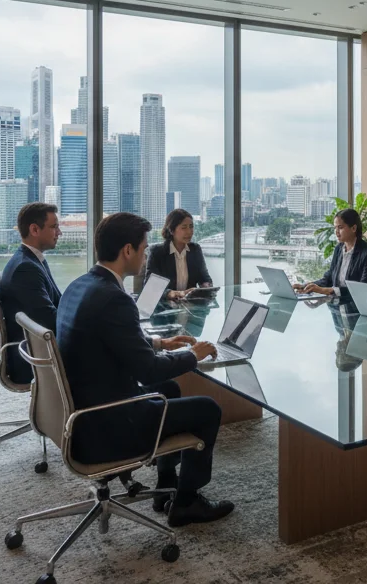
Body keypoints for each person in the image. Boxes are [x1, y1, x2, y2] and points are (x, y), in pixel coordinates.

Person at [55, 212, 235, 526]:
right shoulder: (115, 299)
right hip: (108, 424)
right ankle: (188, 503)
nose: (145, 253)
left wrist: (158, 343)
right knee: (207, 409)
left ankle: (167, 483)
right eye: (143, 246)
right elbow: (148, 371)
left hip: (82, 411)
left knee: (171, 390)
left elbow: (106, 341)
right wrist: (194, 354)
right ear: (128, 250)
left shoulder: (80, 286)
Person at [0, 202, 62, 384]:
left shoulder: (30, 260)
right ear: (34, 229)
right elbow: (49, 321)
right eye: (54, 227)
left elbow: (57, 303)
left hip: (34, 349)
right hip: (33, 358)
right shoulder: (26, 268)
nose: (59, 233)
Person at [298, 208, 367, 297]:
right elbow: (329, 278)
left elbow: (364, 288)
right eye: (335, 228)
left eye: (340, 228)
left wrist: (329, 291)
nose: (336, 232)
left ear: (353, 228)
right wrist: (306, 286)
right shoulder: (339, 249)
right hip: (338, 304)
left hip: (357, 306)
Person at [145, 209, 213, 300]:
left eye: (191, 226)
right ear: (172, 230)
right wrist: (171, 293)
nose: (189, 232)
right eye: (184, 227)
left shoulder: (195, 250)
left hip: (190, 306)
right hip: (166, 308)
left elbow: (204, 278)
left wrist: (206, 285)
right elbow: (150, 286)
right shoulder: (157, 252)